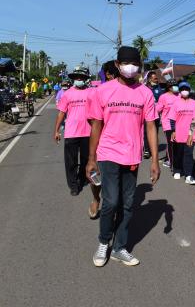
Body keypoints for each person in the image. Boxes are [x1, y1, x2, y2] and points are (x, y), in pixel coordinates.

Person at [86, 46, 160, 268]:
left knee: (128, 204)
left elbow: (150, 127)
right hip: (108, 153)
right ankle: (103, 242)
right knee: (111, 202)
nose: (131, 68)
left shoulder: (145, 93)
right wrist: (91, 158)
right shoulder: (102, 91)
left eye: (135, 64)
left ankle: (119, 248)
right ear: (117, 65)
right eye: (127, 63)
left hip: (132, 155)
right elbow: (96, 126)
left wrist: (155, 159)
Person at [54, 67, 93, 199]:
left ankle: (82, 179)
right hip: (71, 132)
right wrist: (57, 130)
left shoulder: (91, 93)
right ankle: (73, 185)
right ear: (73, 79)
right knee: (71, 162)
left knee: (85, 160)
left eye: (81, 77)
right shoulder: (67, 94)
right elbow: (61, 113)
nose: (79, 79)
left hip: (87, 132)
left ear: (85, 79)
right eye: (77, 77)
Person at [168, 81, 195, 184]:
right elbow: (172, 119)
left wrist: (192, 132)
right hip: (178, 132)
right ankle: (177, 169)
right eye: (182, 89)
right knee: (178, 153)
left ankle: (188, 175)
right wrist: (173, 131)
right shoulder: (176, 103)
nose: (185, 91)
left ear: (189, 90)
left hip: (190, 134)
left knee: (188, 154)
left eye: (186, 89)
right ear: (180, 91)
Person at [156, 79, 179, 164]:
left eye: (177, 85)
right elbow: (158, 109)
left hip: (179, 123)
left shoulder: (180, 95)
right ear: (169, 87)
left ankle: (172, 157)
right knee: (171, 142)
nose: (176, 87)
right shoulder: (163, 97)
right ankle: (171, 161)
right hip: (168, 123)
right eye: (174, 85)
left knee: (178, 143)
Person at [143, 71, 162, 159]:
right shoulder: (144, 88)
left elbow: (161, 101)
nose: (156, 80)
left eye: (156, 78)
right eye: (155, 78)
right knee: (146, 132)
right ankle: (146, 149)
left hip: (156, 114)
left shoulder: (159, 88)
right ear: (150, 79)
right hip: (146, 114)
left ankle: (152, 149)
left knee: (155, 132)